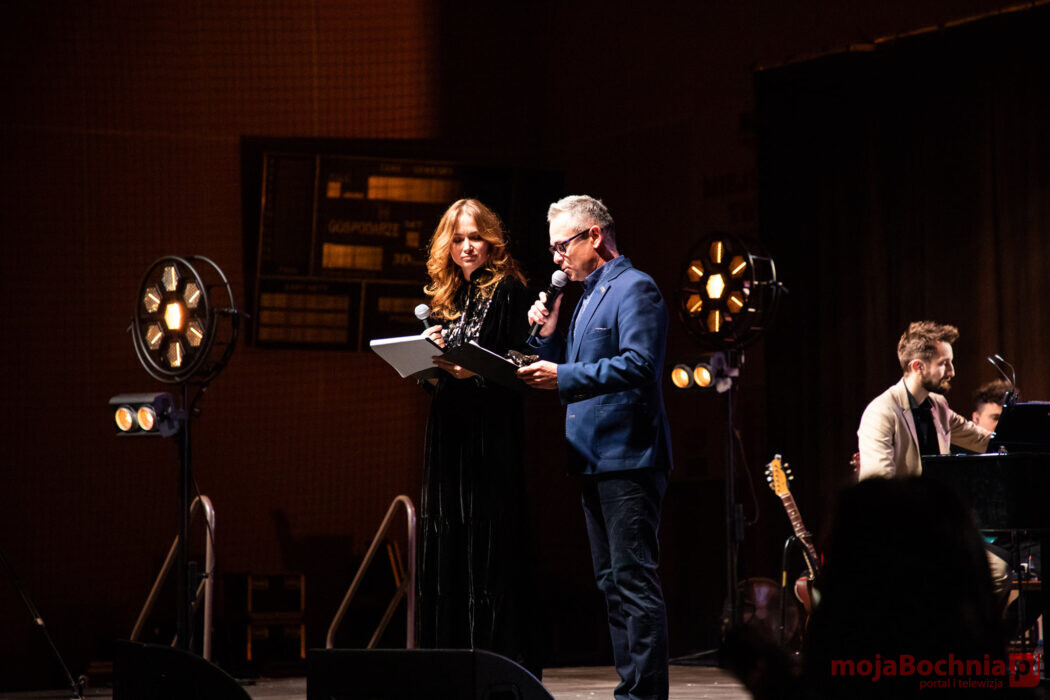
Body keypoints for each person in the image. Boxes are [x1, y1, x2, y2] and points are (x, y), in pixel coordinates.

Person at [517, 195, 672, 700]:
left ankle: (644, 695)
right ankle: (631, 688)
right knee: (610, 582)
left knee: (632, 579)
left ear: (594, 236)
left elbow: (640, 364)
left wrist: (563, 375)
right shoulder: (585, 296)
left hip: (628, 456)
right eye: (553, 249)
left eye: (562, 246)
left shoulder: (635, 287)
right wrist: (546, 333)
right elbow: (565, 363)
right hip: (592, 458)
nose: (556, 257)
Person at [416, 198, 539, 676]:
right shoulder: (450, 296)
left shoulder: (507, 289)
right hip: (450, 429)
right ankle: (447, 663)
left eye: (475, 238)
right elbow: (442, 375)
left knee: (487, 544)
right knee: (449, 537)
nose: (467, 247)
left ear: (491, 242)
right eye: (458, 239)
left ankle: (493, 662)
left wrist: (473, 370)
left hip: (489, 431)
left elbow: (522, 362)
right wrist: (427, 363)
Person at [857, 321, 990, 480]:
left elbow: (981, 440)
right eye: (944, 363)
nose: (952, 372)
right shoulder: (880, 413)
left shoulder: (938, 404)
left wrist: (1016, 436)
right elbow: (880, 485)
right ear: (917, 367)